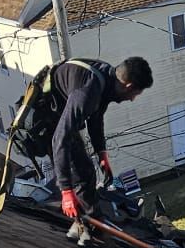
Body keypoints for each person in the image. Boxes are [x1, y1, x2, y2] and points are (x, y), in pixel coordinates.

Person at [46, 55, 154, 236]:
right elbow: (60, 138)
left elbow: (95, 120)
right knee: (83, 173)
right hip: (48, 123)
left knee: (86, 171)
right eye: (135, 94)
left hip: (62, 118)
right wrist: (66, 191)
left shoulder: (106, 79)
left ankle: (90, 224)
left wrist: (102, 154)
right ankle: (89, 230)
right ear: (128, 86)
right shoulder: (87, 92)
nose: (133, 99)